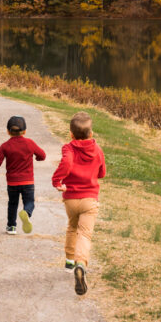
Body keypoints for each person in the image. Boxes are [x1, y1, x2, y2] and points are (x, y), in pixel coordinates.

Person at [52, 111, 106, 295]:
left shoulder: (68, 148)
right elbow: (102, 173)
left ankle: (69, 261)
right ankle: (81, 263)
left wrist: (57, 181)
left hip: (71, 198)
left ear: (71, 134)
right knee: (85, 234)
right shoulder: (97, 149)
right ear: (91, 134)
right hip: (90, 199)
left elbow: (66, 163)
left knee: (72, 227)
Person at [0, 115, 46, 235]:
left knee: (12, 204)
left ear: (8, 131)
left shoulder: (5, 146)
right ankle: (27, 213)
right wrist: (37, 158)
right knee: (29, 202)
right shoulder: (30, 143)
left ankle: (11, 227)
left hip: (12, 182)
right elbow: (42, 155)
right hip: (28, 182)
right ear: (24, 131)